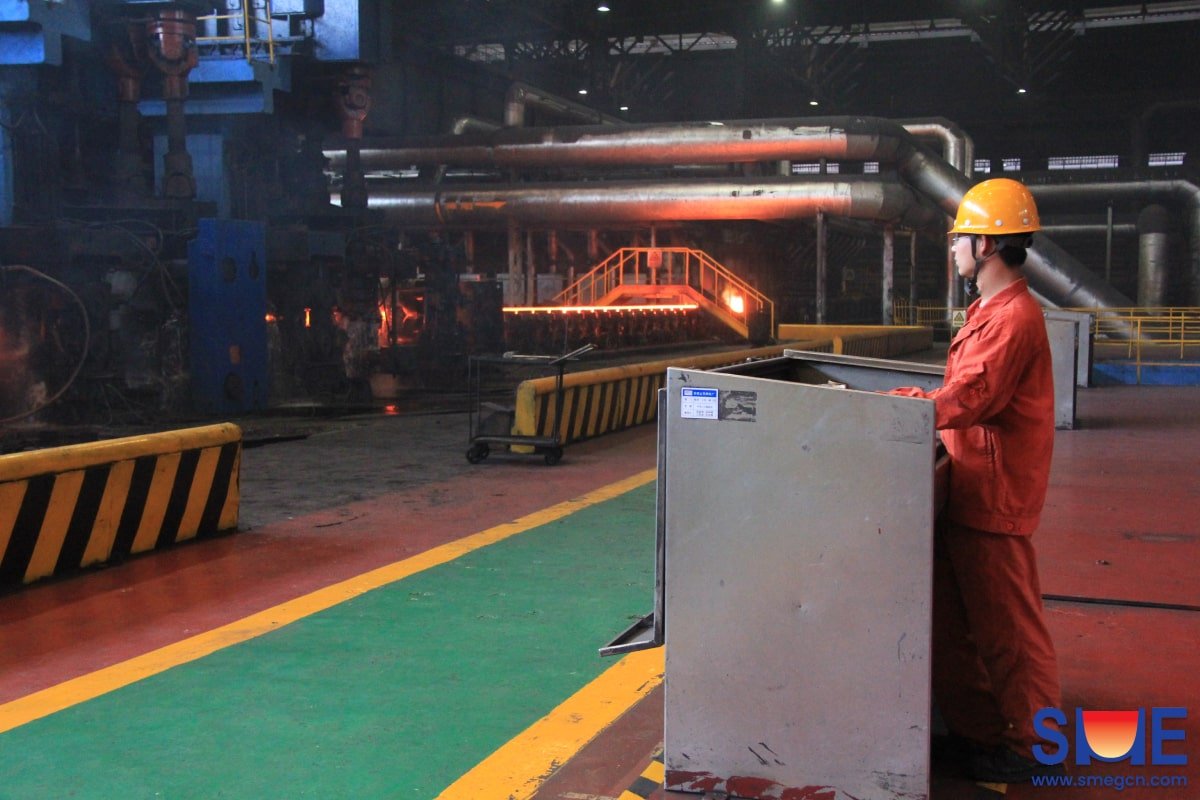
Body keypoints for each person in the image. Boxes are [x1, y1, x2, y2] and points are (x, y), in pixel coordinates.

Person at [889, 177, 1064, 783]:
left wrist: (903, 406)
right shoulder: (990, 311)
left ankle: (1034, 748)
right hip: (971, 490)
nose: (954, 246)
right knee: (958, 626)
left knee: (1010, 631)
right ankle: (982, 733)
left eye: (960, 235)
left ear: (987, 245)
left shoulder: (1013, 318)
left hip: (994, 498)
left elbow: (969, 395)